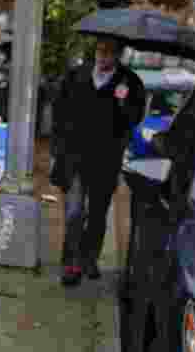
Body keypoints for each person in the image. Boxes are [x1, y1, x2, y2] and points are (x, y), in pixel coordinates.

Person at [52, 37, 146, 286]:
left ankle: (89, 258)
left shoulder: (130, 82)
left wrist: (122, 101)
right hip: (75, 157)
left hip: (105, 159)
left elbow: (135, 118)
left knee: (96, 214)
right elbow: (59, 110)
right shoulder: (76, 75)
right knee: (74, 212)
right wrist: (58, 146)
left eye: (110, 53)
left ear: (118, 55)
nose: (103, 57)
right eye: (101, 51)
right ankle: (71, 262)